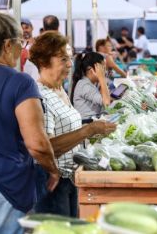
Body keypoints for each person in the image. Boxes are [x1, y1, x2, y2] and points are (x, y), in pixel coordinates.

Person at [0, 6, 60, 233]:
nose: (22, 47)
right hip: (2, 184)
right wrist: (52, 169)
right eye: (21, 41)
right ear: (7, 45)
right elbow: (36, 144)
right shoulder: (20, 82)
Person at [29, 31, 116, 217]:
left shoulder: (60, 90)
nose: (70, 64)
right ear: (44, 62)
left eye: (69, 58)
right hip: (52, 180)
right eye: (63, 59)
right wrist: (88, 130)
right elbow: (48, 146)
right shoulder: (41, 96)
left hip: (69, 177)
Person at [71, 52, 111, 123]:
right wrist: (102, 78)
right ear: (91, 69)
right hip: (87, 125)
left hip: (94, 121)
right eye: (103, 69)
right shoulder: (84, 85)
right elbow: (107, 103)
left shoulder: (92, 83)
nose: (105, 72)